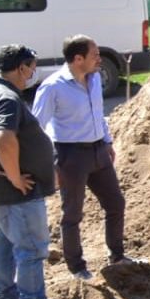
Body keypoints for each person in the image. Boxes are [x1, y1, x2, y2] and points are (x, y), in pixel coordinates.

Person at [0, 44, 68, 299]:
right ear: (21, 66)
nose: (32, 74)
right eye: (31, 68)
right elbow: (4, 139)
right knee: (31, 249)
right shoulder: (5, 98)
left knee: (2, 243)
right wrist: (15, 177)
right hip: (15, 192)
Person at [32, 35, 139, 281]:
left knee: (115, 203)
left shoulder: (94, 80)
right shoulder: (53, 87)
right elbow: (36, 128)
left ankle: (117, 256)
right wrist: (50, 164)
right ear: (78, 59)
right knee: (72, 214)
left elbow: (99, 113)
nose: (99, 59)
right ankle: (77, 267)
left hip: (99, 151)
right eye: (95, 55)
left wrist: (107, 141)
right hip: (71, 156)